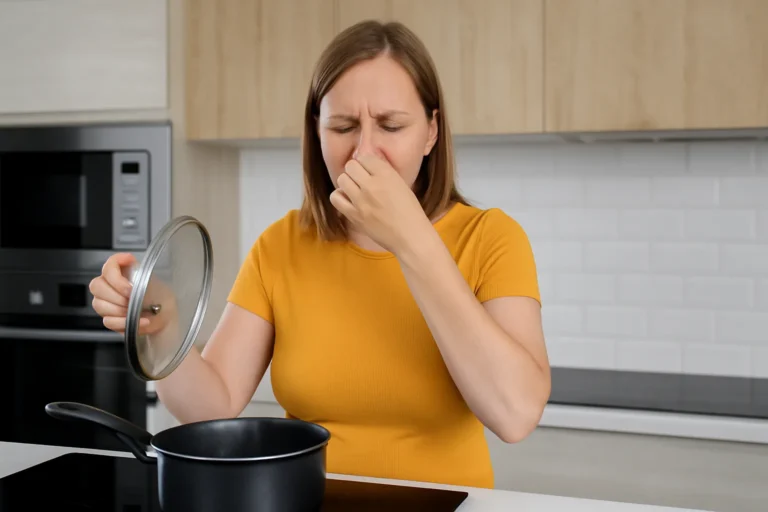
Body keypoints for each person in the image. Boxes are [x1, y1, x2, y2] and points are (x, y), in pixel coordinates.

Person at [89, 20, 550, 489]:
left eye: (391, 125)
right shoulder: (281, 245)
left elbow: (515, 415)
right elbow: (212, 406)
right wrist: (162, 326)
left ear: (431, 132)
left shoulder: (492, 238)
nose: (363, 151)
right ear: (317, 132)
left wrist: (411, 239)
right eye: (343, 126)